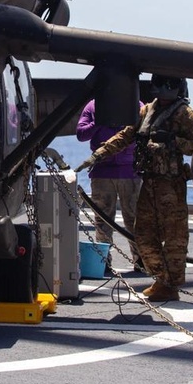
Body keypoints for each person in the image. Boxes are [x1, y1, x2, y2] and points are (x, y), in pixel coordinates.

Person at [75, 75, 193, 302]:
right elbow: (127, 135)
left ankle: (171, 285)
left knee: (174, 238)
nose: (160, 88)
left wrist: (173, 141)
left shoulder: (185, 114)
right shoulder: (147, 112)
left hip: (170, 184)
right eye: (158, 83)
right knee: (143, 234)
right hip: (149, 181)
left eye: (166, 84)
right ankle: (160, 278)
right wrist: (98, 155)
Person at [76, 99, 142, 270]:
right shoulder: (93, 107)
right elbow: (81, 134)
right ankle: (103, 261)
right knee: (103, 219)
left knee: (134, 219)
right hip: (103, 172)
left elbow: (146, 131)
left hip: (129, 171)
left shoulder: (137, 106)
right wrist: (99, 122)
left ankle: (140, 259)